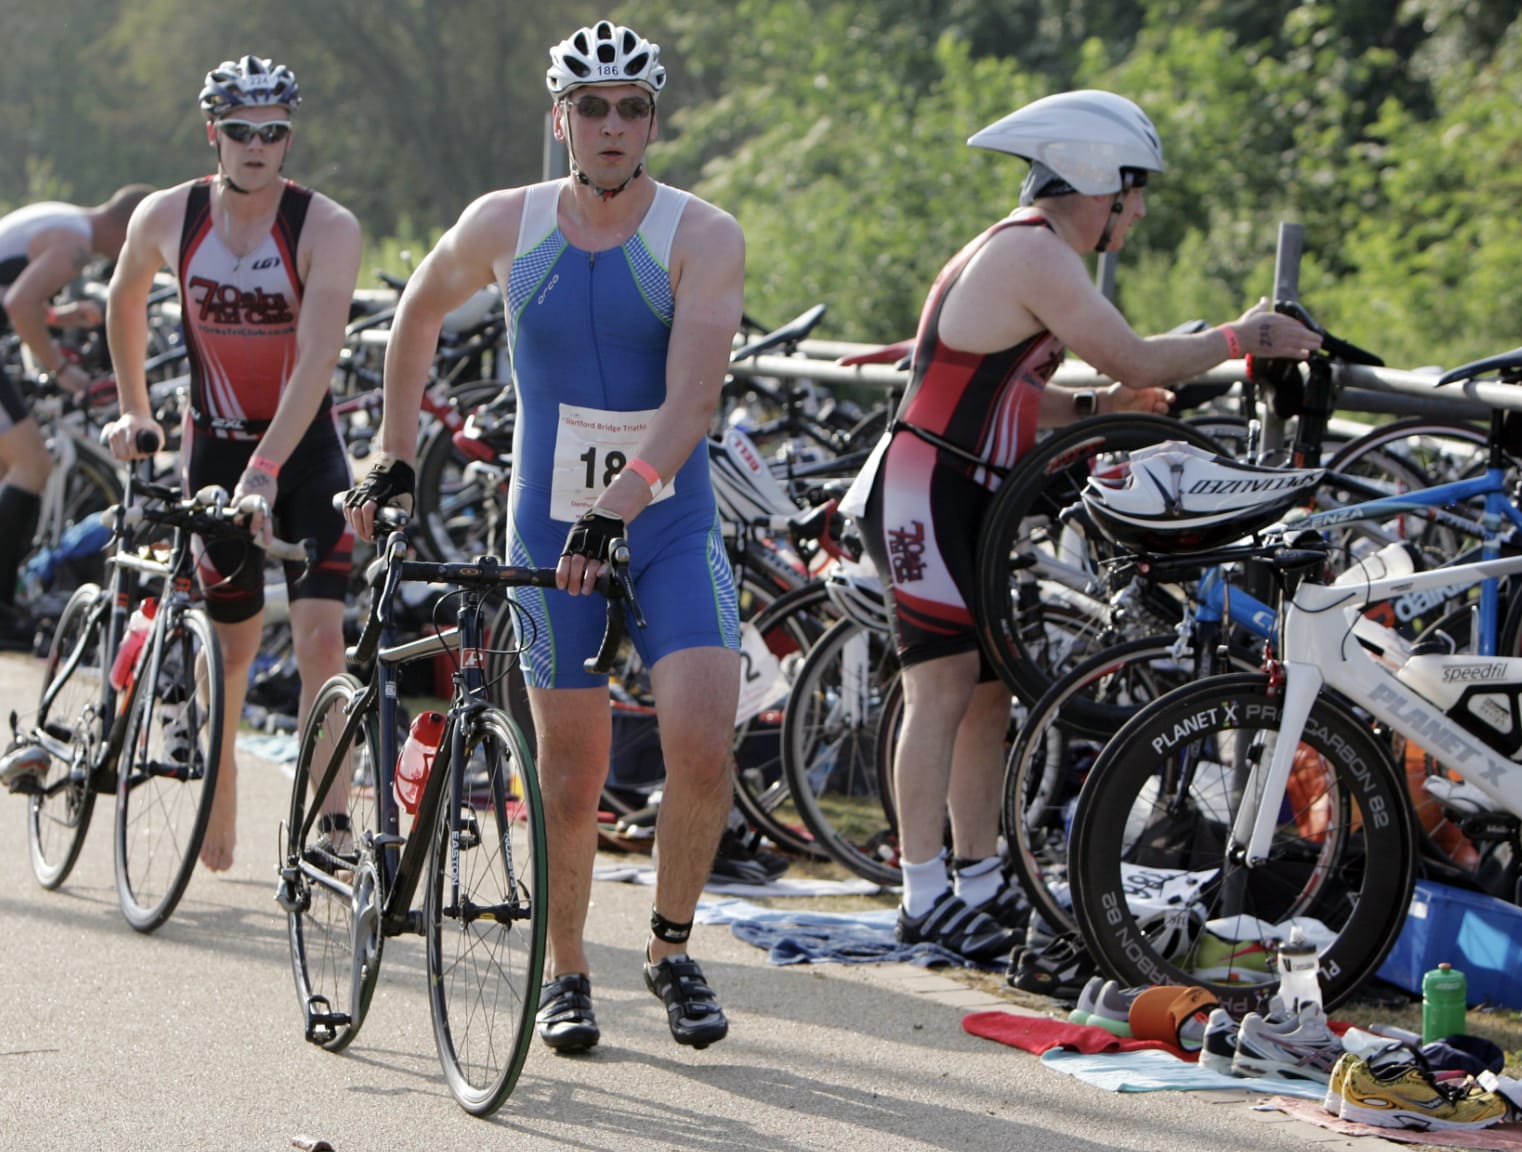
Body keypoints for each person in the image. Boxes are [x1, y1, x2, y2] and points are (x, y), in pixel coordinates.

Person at [851, 90, 1325, 964]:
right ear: (1094, 175)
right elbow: (1140, 355)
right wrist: (1241, 334)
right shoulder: (1034, 251)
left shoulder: (1030, 251)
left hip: (968, 489)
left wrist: (1096, 407)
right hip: (925, 488)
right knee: (942, 690)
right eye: (1130, 191)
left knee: (989, 696)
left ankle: (979, 880)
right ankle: (921, 895)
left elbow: (1011, 396)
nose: (1137, 209)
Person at [344, 19, 744, 1053]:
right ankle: (568, 968)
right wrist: (392, 450)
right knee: (570, 776)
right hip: (546, 529)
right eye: (593, 107)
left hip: (664, 520)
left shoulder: (701, 233)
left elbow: (693, 398)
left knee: (701, 745)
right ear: (560, 117)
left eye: (633, 107)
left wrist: (622, 505)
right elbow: (416, 315)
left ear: (653, 118)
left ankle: (668, 946)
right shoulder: (507, 223)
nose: (613, 126)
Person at [96, 55, 360, 871]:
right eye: (241, 131)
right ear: (214, 133)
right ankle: (224, 790)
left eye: (273, 131)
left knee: (322, 639)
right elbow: (122, 297)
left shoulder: (326, 227)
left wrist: (270, 466)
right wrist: (134, 408)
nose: (257, 145)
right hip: (212, 443)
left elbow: (318, 358)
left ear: (290, 138)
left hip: (305, 454)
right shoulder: (168, 217)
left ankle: (333, 827)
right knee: (233, 645)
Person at [0, 184, 152, 651]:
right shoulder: (76, 245)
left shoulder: (65, 218)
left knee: (11, 467)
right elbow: (17, 305)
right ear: (127, 230)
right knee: (33, 464)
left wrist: (58, 317)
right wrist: (62, 369)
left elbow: (14, 290)